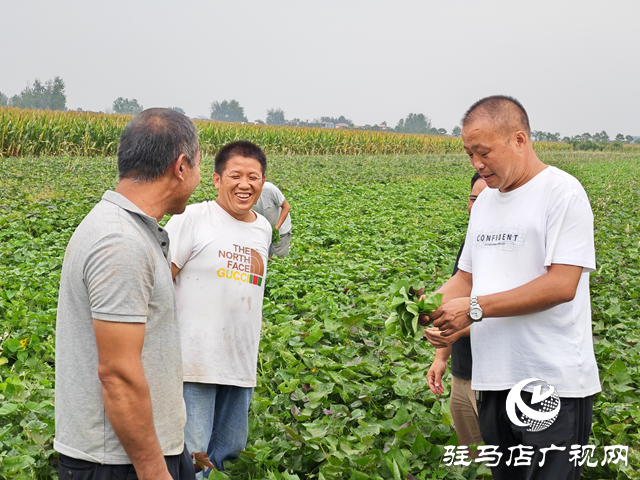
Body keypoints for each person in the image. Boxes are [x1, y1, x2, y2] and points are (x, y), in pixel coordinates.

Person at [423, 95, 600, 480]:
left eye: (483, 152)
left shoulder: (562, 193)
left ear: (519, 140)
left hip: (550, 383)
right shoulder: (485, 203)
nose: (476, 164)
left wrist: (472, 308)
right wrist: (428, 304)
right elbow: (465, 278)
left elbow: (561, 284)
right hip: (493, 379)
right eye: (469, 153)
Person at [55, 108, 201, 480]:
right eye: (200, 165)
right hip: (119, 462)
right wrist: (153, 471)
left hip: (136, 452)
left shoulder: (122, 230)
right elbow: (117, 373)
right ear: (180, 166)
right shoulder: (120, 242)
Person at [164, 140, 272, 474]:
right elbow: (158, 283)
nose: (245, 184)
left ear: (263, 182)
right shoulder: (192, 219)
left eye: (253, 177)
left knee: (228, 456)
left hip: (240, 364)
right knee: (194, 461)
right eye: (235, 175)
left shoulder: (263, 229)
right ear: (216, 179)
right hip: (193, 363)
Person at [425, 172, 487, 449]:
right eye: (474, 198)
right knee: (472, 453)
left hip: (496, 376)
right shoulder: (471, 243)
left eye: (487, 198)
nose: (477, 205)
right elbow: (458, 294)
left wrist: (462, 326)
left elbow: (515, 313)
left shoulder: (510, 248)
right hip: (464, 371)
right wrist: (441, 358)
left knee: (503, 458)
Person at [252, 180, 292, 257]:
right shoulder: (243, 195)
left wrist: (276, 229)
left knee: (278, 259)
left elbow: (286, 207)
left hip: (280, 231)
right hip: (262, 232)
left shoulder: (270, 189)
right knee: (263, 257)